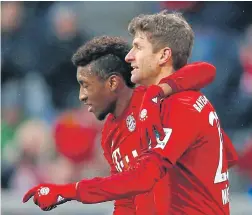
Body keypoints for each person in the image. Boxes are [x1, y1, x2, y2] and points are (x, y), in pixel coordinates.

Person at [23, 11, 237, 215]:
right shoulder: (121, 124)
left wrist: (66, 191)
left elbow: (143, 178)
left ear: (163, 55)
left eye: (138, 47)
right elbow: (127, 201)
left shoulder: (183, 104)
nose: (129, 56)